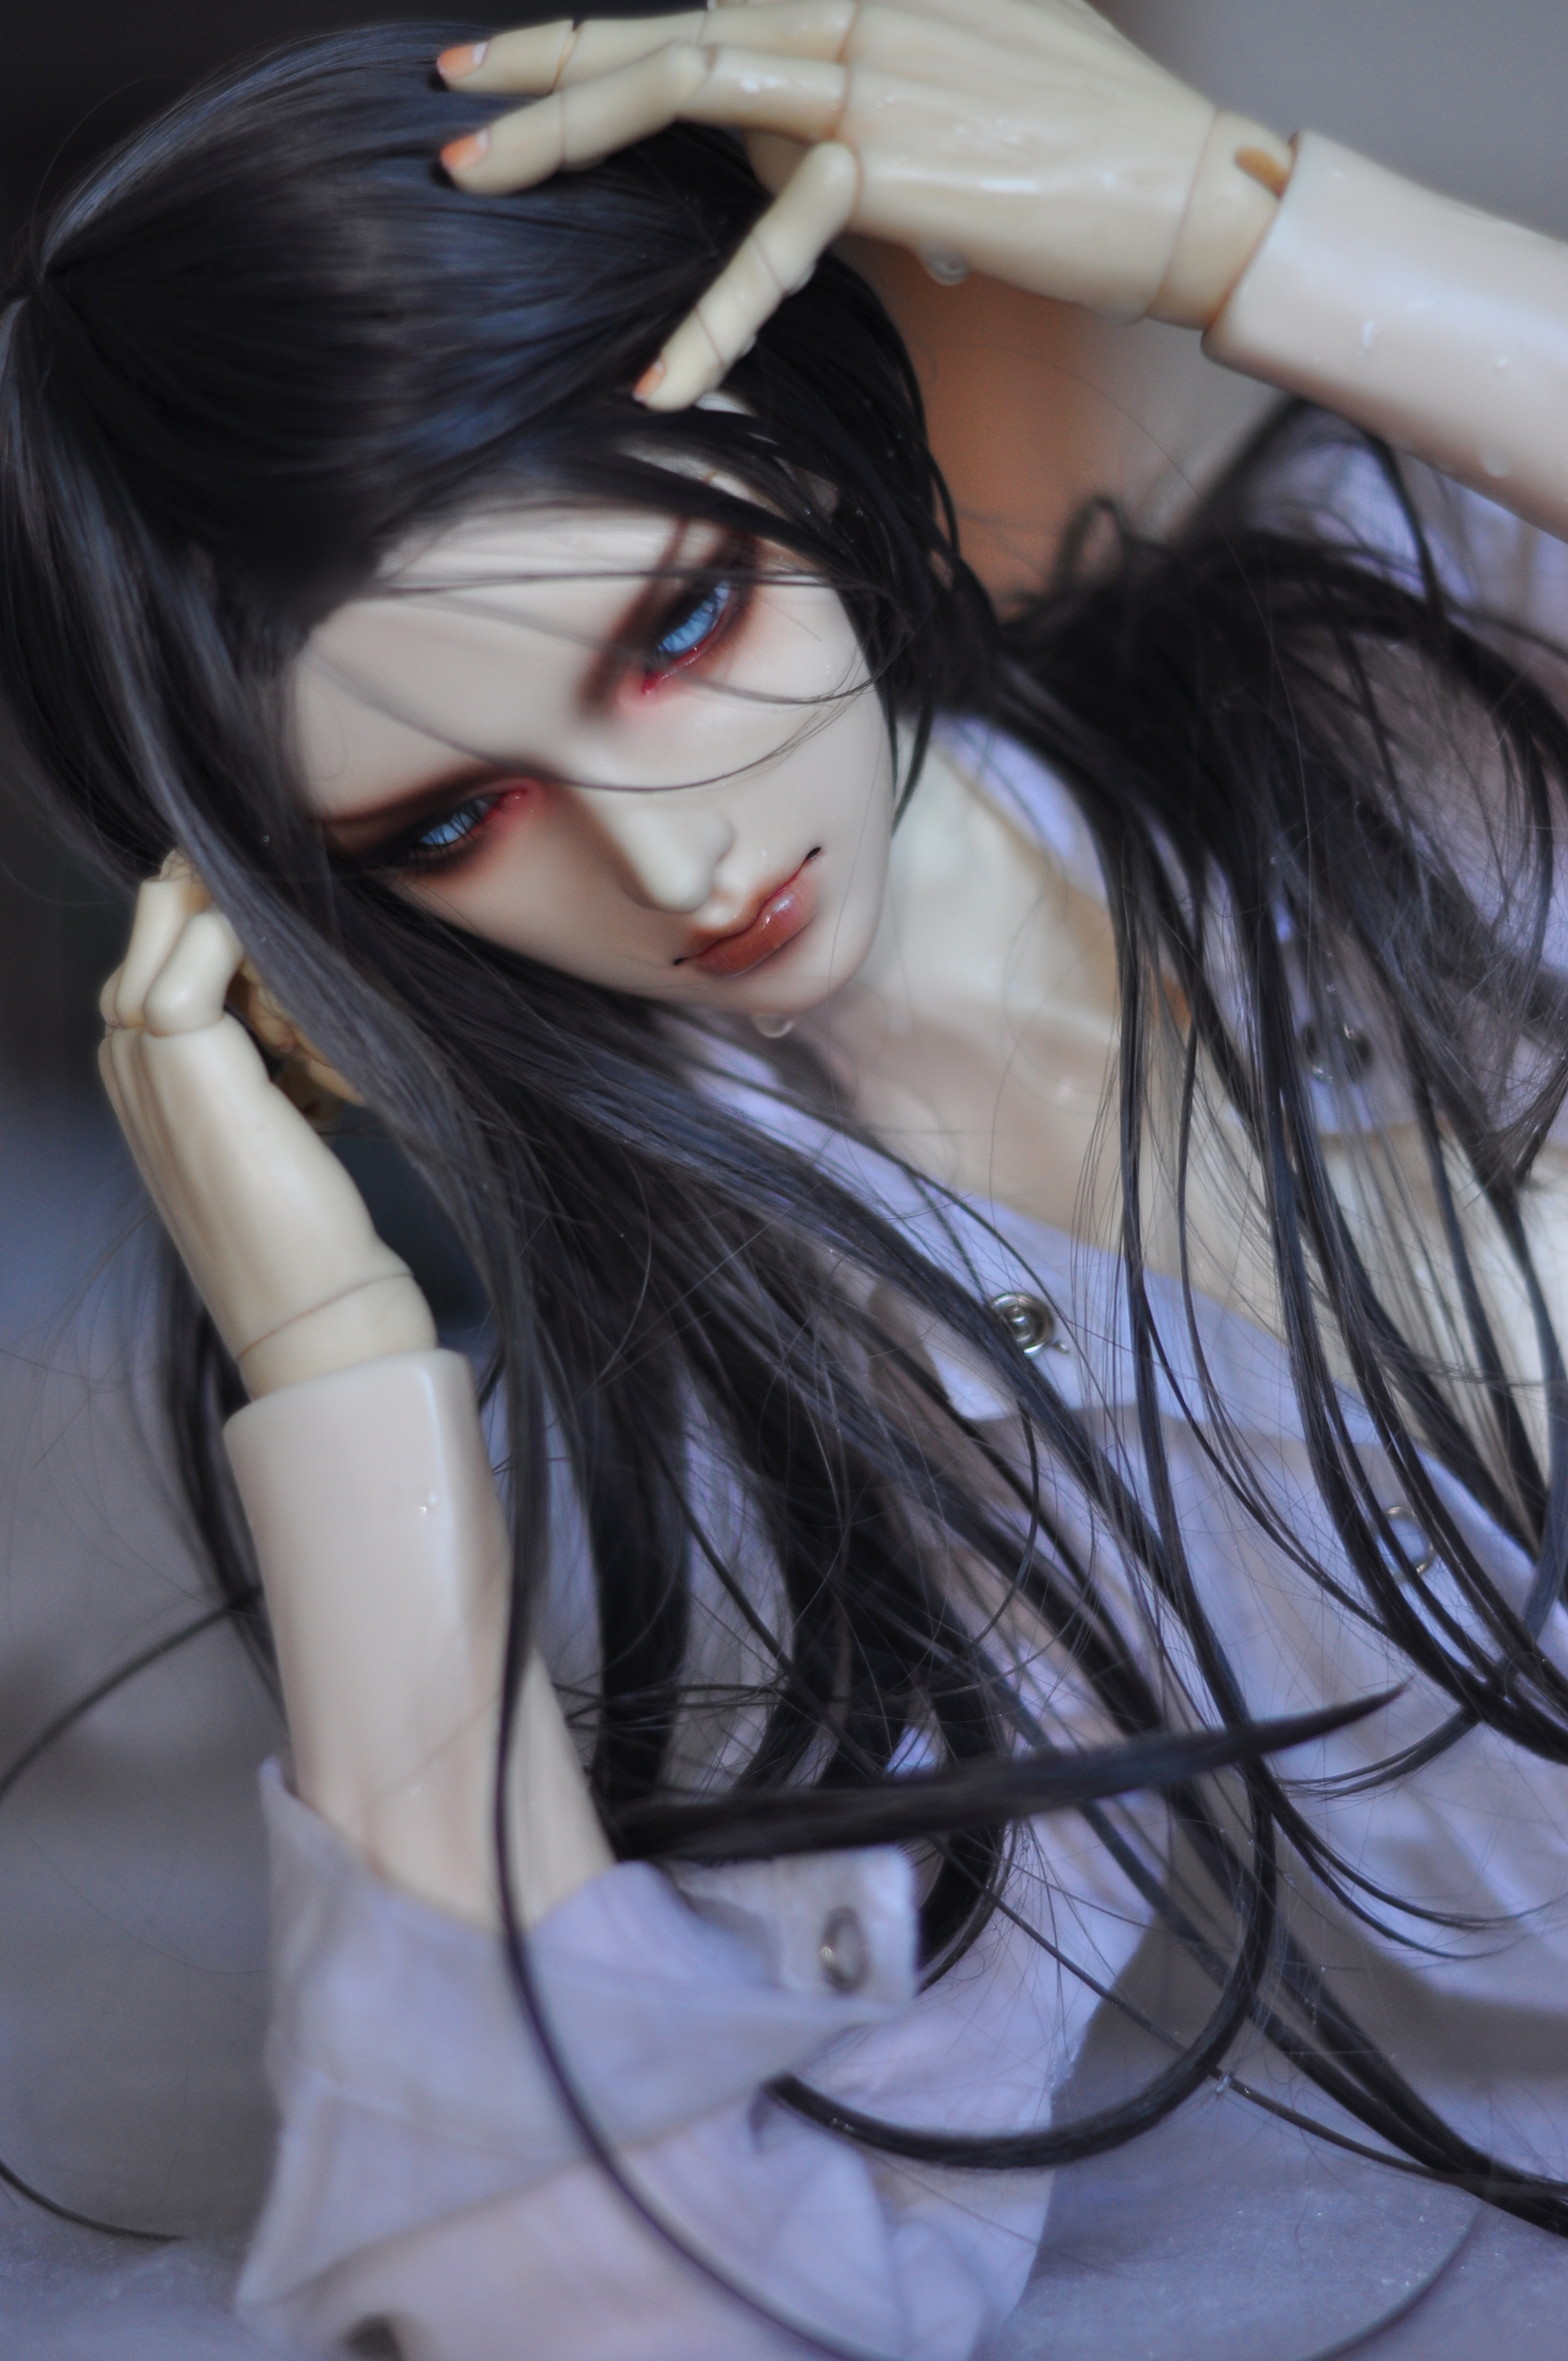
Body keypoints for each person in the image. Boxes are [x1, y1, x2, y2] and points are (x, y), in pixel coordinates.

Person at [7, 4, 1568, 2354]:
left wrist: (1232, 227)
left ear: (807, 458)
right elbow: (589, 2294)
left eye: (677, 625)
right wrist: (328, 1363)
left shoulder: (1402, 658)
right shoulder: (845, 1456)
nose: (678, 861)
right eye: (451, 820)